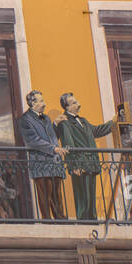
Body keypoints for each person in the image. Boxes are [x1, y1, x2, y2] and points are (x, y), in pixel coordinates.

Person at [56, 93, 116, 222]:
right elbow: (68, 144)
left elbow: (97, 131)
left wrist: (113, 122)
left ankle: (93, 222)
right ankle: (84, 225)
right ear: (67, 107)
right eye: (73, 103)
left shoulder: (83, 120)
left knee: (91, 197)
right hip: (80, 164)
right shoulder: (64, 123)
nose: (78, 104)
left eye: (76, 101)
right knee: (82, 198)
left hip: (91, 162)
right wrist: (74, 166)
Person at [19, 90, 67, 220]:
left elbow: (51, 137)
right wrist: (54, 149)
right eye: (40, 101)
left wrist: (55, 124)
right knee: (45, 195)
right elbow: (33, 141)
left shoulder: (46, 118)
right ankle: (47, 222)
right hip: (40, 163)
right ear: (32, 103)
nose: (44, 103)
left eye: (43, 100)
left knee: (57, 195)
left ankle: (61, 219)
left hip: (54, 163)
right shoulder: (25, 119)